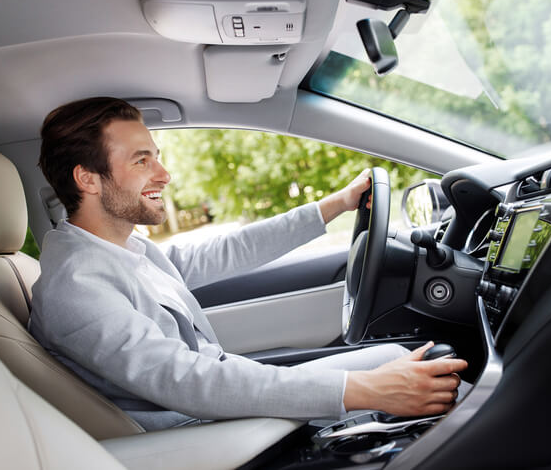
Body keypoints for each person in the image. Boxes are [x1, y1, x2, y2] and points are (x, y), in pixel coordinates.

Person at [29, 97, 467, 431]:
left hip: (210, 408)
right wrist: (364, 390)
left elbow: (226, 250)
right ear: (87, 178)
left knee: (403, 357)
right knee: (418, 365)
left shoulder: (121, 249)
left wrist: (333, 206)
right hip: (195, 433)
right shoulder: (76, 284)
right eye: (142, 160)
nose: (163, 174)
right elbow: (184, 381)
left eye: (156, 156)